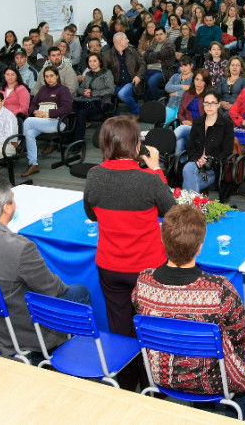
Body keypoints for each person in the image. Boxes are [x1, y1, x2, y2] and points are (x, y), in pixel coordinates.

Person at [132, 204, 245, 418]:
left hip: (162, 375)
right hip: (215, 380)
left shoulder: (143, 282)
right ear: (199, 247)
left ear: (163, 241)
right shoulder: (219, 289)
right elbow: (242, 333)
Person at [83, 117, 176, 386]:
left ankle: (126, 380)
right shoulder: (148, 180)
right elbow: (172, 213)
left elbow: (91, 214)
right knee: (151, 328)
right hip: (148, 268)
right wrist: (157, 169)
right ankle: (152, 383)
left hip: (110, 266)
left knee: (120, 327)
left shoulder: (94, 175)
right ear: (136, 145)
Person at [0, 176, 91, 356]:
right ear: (7, 208)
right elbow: (52, 289)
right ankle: (77, 355)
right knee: (79, 292)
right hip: (21, 329)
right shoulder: (19, 246)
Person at [21, 67, 72, 177]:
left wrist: (47, 113)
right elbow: (33, 104)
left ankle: (19, 145)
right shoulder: (43, 89)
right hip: (42, 121)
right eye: (47, 76)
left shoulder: (63, 89)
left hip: (58, 122)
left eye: (52, 76)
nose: (49, 79)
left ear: (57, 76)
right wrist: (35, 111)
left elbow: (67, 108)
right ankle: (33, 164)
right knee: (29, 134)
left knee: (28, 121)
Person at [182, 89, 234, 192]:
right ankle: (195, 205)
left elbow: (227, 150)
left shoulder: (226, 124)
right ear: (203, 104)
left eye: (213, 103)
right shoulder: (197, 123)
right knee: (188, 168)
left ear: (218, 104)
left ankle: (190, 206)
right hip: (197, 163)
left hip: (214, 167)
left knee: (188, 185)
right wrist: (198, 159)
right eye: (206, 103)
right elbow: (190, 146)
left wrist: (210, 160)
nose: (209, 106)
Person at [102, 32, 145, 119]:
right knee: (107, 96)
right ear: (119, 41)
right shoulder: (107, 55)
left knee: (122, 94)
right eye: (126, 39)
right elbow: (103, 72)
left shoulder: (132, 51)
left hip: (131, 83)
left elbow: (142, 64)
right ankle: (118, 116)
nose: (128, 40)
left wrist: (138, 76)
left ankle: (136, 112)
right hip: (115, 85)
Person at [72, 52, 115, 141]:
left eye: (94, 61)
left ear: (99, 62)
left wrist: (92, 93)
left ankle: (78, 141)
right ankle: (70, 138)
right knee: (72, 109)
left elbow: (110, 90)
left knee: (82, 113)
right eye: (90, 61)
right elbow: (80, 89)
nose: (92, 63)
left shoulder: (106, 73)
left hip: (102, 102)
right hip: (87, 101)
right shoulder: (88, 74)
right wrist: (84, 92)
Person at [174, 69, 211, 154]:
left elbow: (210, 117)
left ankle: (163, 146)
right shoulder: (187, 93)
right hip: (188, 128)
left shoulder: (210, 95)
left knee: (181, 129)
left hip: (202, 130)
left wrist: (192, 123)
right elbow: (180, 113)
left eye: (202, 80)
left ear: (206, 82)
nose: (198, 83)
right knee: (179, 141)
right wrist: (183, 120)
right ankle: (179, 165)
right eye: (197, 79)